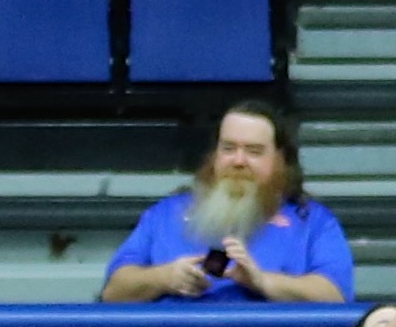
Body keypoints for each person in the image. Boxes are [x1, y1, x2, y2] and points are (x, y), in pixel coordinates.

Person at [98, 99, 354, 305]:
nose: (238, 161)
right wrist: (163, 278)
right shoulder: (166, 214)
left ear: (280, 160)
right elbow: (114, 291)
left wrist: (263, 282)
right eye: (228, 148)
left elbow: (335, 296)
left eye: (254, 151)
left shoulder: (314, 222)